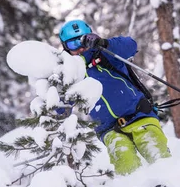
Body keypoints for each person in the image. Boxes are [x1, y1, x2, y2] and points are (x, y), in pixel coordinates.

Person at [58, 19, 171, 175]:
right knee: (126, 165)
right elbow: (61, 110)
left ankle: (173, 186)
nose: (81, 47)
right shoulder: (71, 73)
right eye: (73, 44)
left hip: (139, 115)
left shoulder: (106, 53)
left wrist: (103, 44)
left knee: (156, 152)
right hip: (109, 129)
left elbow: (130, 45)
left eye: (83, 40)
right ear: (65, 47)